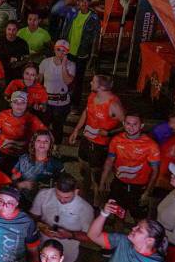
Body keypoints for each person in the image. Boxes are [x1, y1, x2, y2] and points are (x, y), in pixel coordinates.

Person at [68, 74, 125, 203]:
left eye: (93, 82)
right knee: (83, 170)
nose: (90, 84)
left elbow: (128, 125)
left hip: (100, 146)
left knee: (97, 177)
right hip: (86, 140)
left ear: (101, 87)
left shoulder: (114, 104)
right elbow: (86, 112)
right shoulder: (92, 96)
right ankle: (83, 197)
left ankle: (96, 204)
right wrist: (76, 130)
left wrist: (109, 133)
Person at [99, 112, 161, 220]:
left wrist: (147, 192)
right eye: (128, 123)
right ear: (123, 123)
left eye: (135, 124)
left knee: (140, 219)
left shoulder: (151, 145)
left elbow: (155, 171)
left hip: (139, 188)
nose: (131, 127)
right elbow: (109, 162)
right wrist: (102, 182)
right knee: (118, 216)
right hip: (119, 185)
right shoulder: (116, 140)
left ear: (141, 125)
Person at [54, 0, 100, 107]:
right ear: (77, 2)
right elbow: (55, 10)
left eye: (86, 1)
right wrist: (67, 1)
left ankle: (75, 104)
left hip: (81, 54)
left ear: (89, 2)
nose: (83, 3)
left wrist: (93, 54)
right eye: (80, 1)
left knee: (78, 80)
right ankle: (62, 99)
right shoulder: (72, 12)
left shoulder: (93, 18)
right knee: (63, 76)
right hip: (66, 52)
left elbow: (96, 37)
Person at [0, 91, 48, 175]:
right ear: (11, 104)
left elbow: (46, 134)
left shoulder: (32, 119)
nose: (19, 105)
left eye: (23, 102)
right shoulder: (2, 115)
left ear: (27, 104)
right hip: (3, 153)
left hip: (22, 156)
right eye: (15, 102)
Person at [11, 131, 63, 202]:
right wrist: (21, 185)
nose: (42, 143)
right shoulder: (23, 159)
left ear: (50, 145)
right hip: (23, 199)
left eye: (46, 141)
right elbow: (13, 179)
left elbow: (62, 183)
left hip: (45, 201)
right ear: (33, 143)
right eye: (38, 140)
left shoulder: (56, 163)